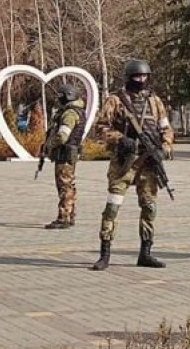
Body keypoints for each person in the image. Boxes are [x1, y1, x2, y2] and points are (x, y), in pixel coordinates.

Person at [92, 60, 174, 271]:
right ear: (129, 78)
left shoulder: (155, 102)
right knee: (113, 206)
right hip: (124, 163)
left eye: (145, 77)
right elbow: (100, 128)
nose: (141, 80)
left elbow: (166, 128)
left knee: (149, 206)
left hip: (148, 163)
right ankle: (105, 253)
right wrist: (120, 139)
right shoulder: (115, 101)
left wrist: (165, 147)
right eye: (137, 77)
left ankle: (145, 253)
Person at [42, 84, 86, 230]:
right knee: (69, 186)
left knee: (64, 186)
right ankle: (70, 215)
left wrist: (49, 145)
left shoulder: (69, 114)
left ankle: (64, 217)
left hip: (64, 153)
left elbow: (62, 136)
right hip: (69, 153)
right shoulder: (77, 111)